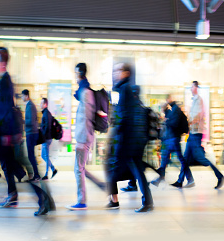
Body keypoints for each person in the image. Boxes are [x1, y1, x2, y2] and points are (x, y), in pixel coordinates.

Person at [0, 47, 52, 217]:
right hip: (3, 137)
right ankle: (41, 199)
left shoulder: (5, 82)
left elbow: (3, 110)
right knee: (11, 170)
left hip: (3, 138)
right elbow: (1, 110)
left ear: (1, 62)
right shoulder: (3, 82)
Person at [105, 63, 152, 212]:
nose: (115, 73)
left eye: (118, 70)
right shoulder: (125, 89)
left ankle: (116, 199)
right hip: (131, 139)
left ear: (126, 73)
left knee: (115, 167)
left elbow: (123, 116)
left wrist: (117, 136)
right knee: (136, 170)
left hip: (128, 140)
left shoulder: (124, 89)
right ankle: (145, 201)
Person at [177, 81, 224, 189]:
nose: (190, 88)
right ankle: (180, 181)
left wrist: (186, 123)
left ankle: (219, 176)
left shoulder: (199, 100)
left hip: (196, 133)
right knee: (185, 158)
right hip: (192, 133)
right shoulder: (193, 100)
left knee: (201, 158)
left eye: (192, 86)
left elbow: (197, 117)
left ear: (196, 87)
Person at [67, 63, 99, 211]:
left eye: (75, 73)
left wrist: (81, 139)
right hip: (83, 136)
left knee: (78, 169)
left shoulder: (86, 92)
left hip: (84, 137)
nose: (75, 76)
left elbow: (86, 118)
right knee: (80, 169)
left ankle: (82, 201)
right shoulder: (83, 92)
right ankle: (98, 187)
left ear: (80, 73)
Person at [152, 95, 192, 187]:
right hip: (170, 139)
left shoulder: (174, 109)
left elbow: (173, 123)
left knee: (178, 160)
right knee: (166, 159)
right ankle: (160, 179)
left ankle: (190, 179)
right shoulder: (171, 110)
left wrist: (166, 121)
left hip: (173, 139)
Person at [21, 89, 41, 181]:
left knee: (31, 155)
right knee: (31, 155)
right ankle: (36, 174)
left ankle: (36, 174)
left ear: (26, 96)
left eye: (22, 96)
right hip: (30, 132)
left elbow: (31, 121)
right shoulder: (29, 105)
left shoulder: (30, 106)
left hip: (31, 133)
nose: (21, 98)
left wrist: (22, 121)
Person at [40, 98, 57, 179]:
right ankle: (53, 169)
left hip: (46, 138)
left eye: (41, 103)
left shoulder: (46, 113)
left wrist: (43, 136)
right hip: (47, 138)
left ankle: (46, 174)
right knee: (43, 155)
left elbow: (47, 126)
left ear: (45, 104)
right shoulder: (46, 113)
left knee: (45, 156)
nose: (40, 105)